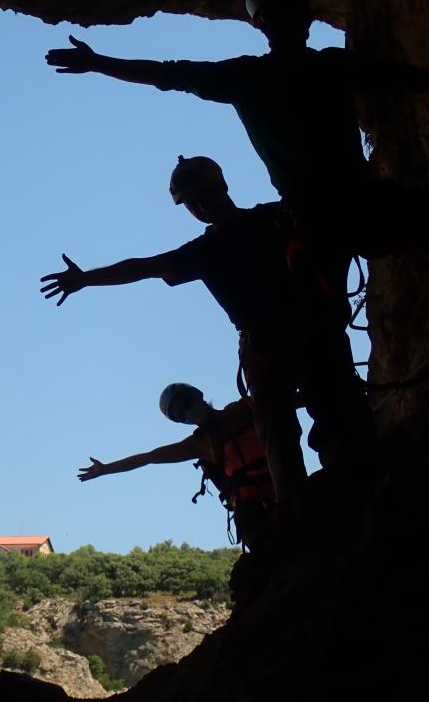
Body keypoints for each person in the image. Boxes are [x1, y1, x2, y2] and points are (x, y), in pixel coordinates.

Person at [45, 0, 429, 375]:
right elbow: (408, 80)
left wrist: (99, 63)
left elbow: (166, 74)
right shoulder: (327, 68)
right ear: (304, 14)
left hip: (312, 224)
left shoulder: (247, 78)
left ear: (258, 23)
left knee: (321, 337)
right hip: (360, 206)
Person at [41, 155, 312, 499]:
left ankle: (326, 485)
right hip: (272, 342)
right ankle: (296, 504)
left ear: (223, 187)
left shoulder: (271, 219)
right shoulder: (208, 250)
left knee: (319, 403)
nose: (200, 206)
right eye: (191, 202)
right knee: (278, 422)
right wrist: (87, 279)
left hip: (301, 327)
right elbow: (144, 267)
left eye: (205, 195)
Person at [78, 382, 281, 552]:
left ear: (197, 395)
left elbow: (288, 403)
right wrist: (105, 469)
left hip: (283, 488)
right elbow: (148, 458)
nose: (187, 412)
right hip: (251, 513)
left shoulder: (243, 410)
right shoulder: (199, 444)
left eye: (185, 404)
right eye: (180, 415)